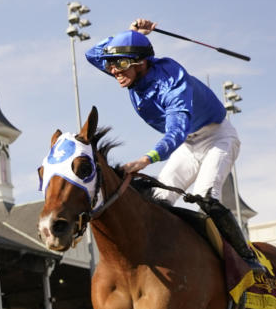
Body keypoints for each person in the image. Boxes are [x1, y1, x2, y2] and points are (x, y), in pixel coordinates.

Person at [85, 19, 263, 272]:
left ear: (141, 62)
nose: (114, 71)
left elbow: (177, 132)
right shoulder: (129, 68)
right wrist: (130, 35)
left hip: (217, 138)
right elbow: (91, 54)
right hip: (189, 145)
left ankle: (247, 258)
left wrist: (146, 159)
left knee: (204, 196)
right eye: (112, 64)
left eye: (120, 64)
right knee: (158, 199)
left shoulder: (172, 85)